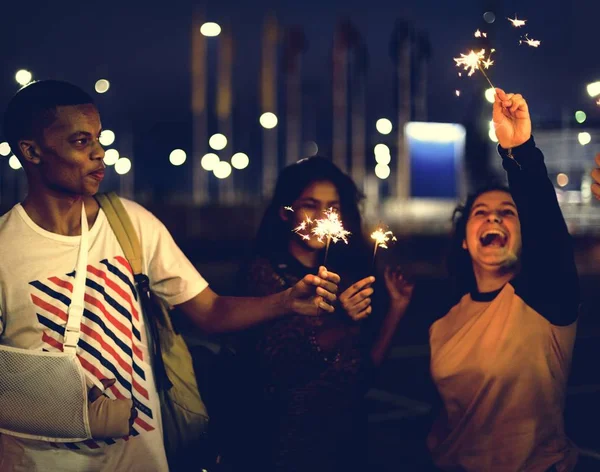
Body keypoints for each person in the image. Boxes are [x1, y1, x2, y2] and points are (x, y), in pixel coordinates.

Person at [0, 80, 340, 472]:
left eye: (98, 138)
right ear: (31, 151)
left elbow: (210, 310)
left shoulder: (130, 223)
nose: (99, 153)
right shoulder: (7, 250)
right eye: (80, 141)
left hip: (140, 459)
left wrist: (285, 302)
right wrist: (61, 397)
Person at [426, 89, 580, 471]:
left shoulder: (546, 300)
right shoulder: (442, 323)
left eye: (507, 212)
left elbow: (547, 229)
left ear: (524, 233)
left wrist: (519, 151)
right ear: (464, 239)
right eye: (481, 212)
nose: (493, 218)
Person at [231, 156, 414, 472]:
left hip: (345, 443)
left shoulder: (344, 276)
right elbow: (284, 367)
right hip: (285, 447)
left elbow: (362, 374)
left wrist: (396, 308)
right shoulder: (264, 276)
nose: (324, 216)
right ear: (286, 213)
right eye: (310, 205)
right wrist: (340, 319)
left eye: (333, 206)